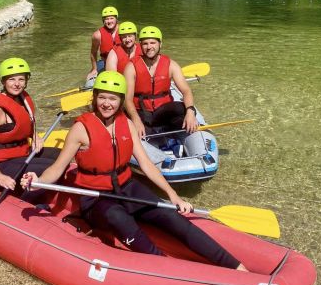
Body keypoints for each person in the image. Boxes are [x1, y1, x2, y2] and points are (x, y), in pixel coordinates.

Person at [21, 71, 246, 270]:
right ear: (94, 97)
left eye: (113, 98)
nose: (106, 103)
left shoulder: (126, 124)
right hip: (96, 198)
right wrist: (37, 179)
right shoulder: (81, 129)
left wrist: (173, 196)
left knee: (171, 217)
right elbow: (57, 168)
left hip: (127, 188)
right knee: (119, 218)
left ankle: (236, 267)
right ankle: (166, 267)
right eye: (102, 97)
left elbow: (147, 165)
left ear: (120, 101)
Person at [0, 57, 60, 193]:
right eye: (11, 79)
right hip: (2, 163)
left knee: (60, 156)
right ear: (3, 81)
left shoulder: (22, 98)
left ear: (26, 81)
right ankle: (25, 198)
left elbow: (25, 123)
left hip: (22, 154)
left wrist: (34, 135)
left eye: (21, 79)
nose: (17, 84)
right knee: (50, 166)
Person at [124, 26, 199, 139]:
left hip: (163, 111)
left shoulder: (171, 65)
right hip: (141, 112)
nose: (149, 47)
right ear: (140, 45)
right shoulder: (131, 67)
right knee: (133, 126)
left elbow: (186, 91)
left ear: (160, 44)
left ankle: (186, 132)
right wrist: (136, 120)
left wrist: (190, 112)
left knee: (182, 108)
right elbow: (127, 99)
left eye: (153, 43)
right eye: (145, 43)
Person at [86, 6, 121, 82]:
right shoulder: (97, 35)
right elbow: (93, 53)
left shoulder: (124, 32)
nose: (109, 21)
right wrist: (94, 69)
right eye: (106, 19)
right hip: (106, 65)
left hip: (122, 65)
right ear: (103, 21)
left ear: (116, 19)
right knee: (89, 81)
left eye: (111, 18)